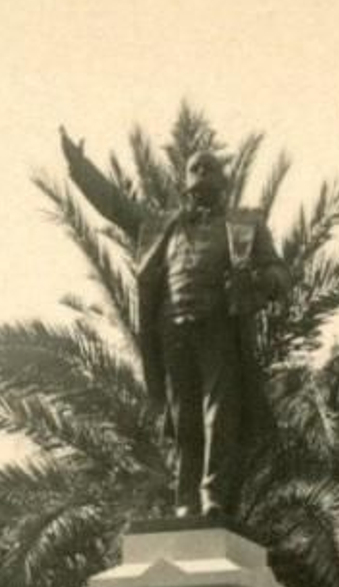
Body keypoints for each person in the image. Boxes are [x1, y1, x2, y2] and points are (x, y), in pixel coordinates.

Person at [59, 128, 288, 520]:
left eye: (208, 169)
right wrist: (80, 168)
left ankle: (212, 497)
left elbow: (281, 277)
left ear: (222, 182)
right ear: (185, 183)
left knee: (220, 415)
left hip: (220, 327)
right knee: (185, 419)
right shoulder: (159, 226)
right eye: (194, 170)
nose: (201, 175)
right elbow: (115, 205)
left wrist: (254, 279)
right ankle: (185, 500)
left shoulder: (245, 226)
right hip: (173, 331)